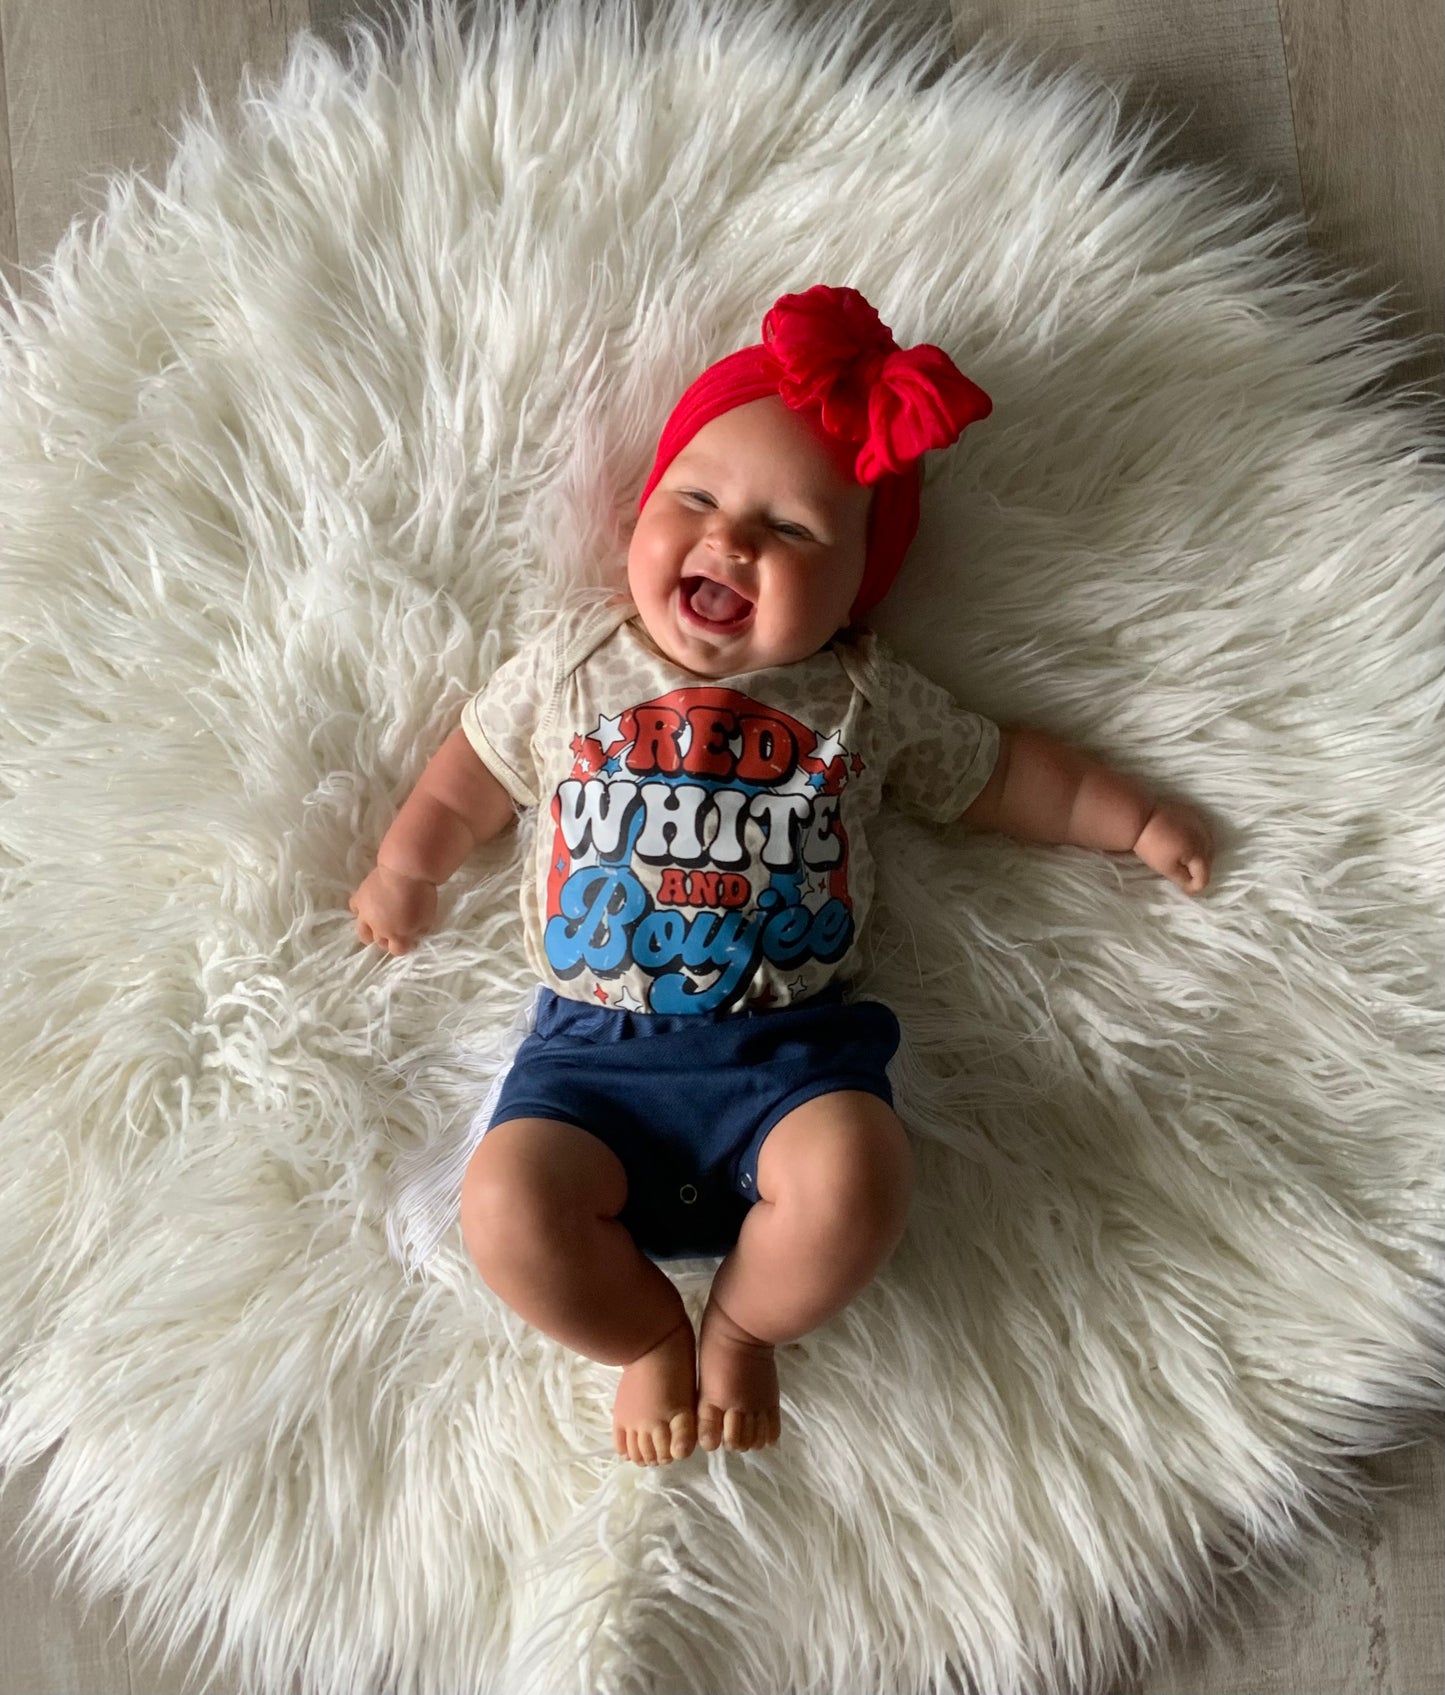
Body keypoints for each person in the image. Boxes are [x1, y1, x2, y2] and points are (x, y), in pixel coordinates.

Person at [349, 285, 1214, 1468]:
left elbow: (1010, 774)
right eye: (694, 498)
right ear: (644, 510)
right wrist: (409, 864)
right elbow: (470, 774)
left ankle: (744, 1326)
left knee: (858, 1177)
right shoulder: (574, 663)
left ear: (856, 586)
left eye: (792, 531)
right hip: (588, 1064)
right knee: (503, 1208)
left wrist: (1136, 818)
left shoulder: (862, 693)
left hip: (791, 1062)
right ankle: (650, 1335)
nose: (732, 540)